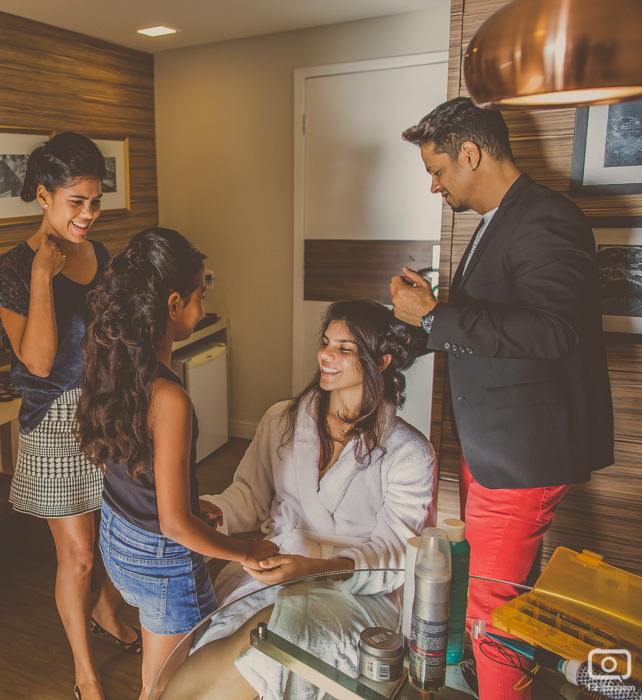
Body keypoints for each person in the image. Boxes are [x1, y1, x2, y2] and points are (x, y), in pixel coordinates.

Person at [392, 96, 614, 700]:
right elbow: (496, 320)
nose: (436, 185)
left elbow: (556, 330)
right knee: (502, 589)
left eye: (438, 170)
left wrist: (438, 315)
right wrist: (427, 323)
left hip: (522, 451)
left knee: (492, 601)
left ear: (471, 153)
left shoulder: (545, 218)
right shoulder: (497, 221)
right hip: (494, 444)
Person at [159, 299, 435, 700]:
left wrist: (314, 568)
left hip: (355, 590)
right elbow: (250, 496)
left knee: (267, 641)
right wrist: (211, 511)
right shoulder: (282, 420)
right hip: (275, 565)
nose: (325, 354)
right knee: (223, 638)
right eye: (326, 342)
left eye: (345, 348)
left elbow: (395, 555)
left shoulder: (409, 453)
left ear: (381, 362)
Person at [76, 227, 281, 700]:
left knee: (158, 675)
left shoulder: (111, 363)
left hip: (117, 537)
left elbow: (132, 471)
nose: (203, 308)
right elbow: (173, 526)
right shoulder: (169, 398)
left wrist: (189, 505)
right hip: (158, 561)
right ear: (172, 305)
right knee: (169, 686)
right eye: (199, 294)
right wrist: (247, 550)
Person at [0, 132, 138, 700]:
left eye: (95, 201)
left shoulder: (106, 256)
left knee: (122, 535)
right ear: (44, 195)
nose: (89, 214)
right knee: (76, 555)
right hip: (54, 420)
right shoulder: (11, 269)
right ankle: (84, 672)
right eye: (77, 201)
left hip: (111, 411)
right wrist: (43, 276)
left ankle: (106, 607)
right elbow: (40, 359)